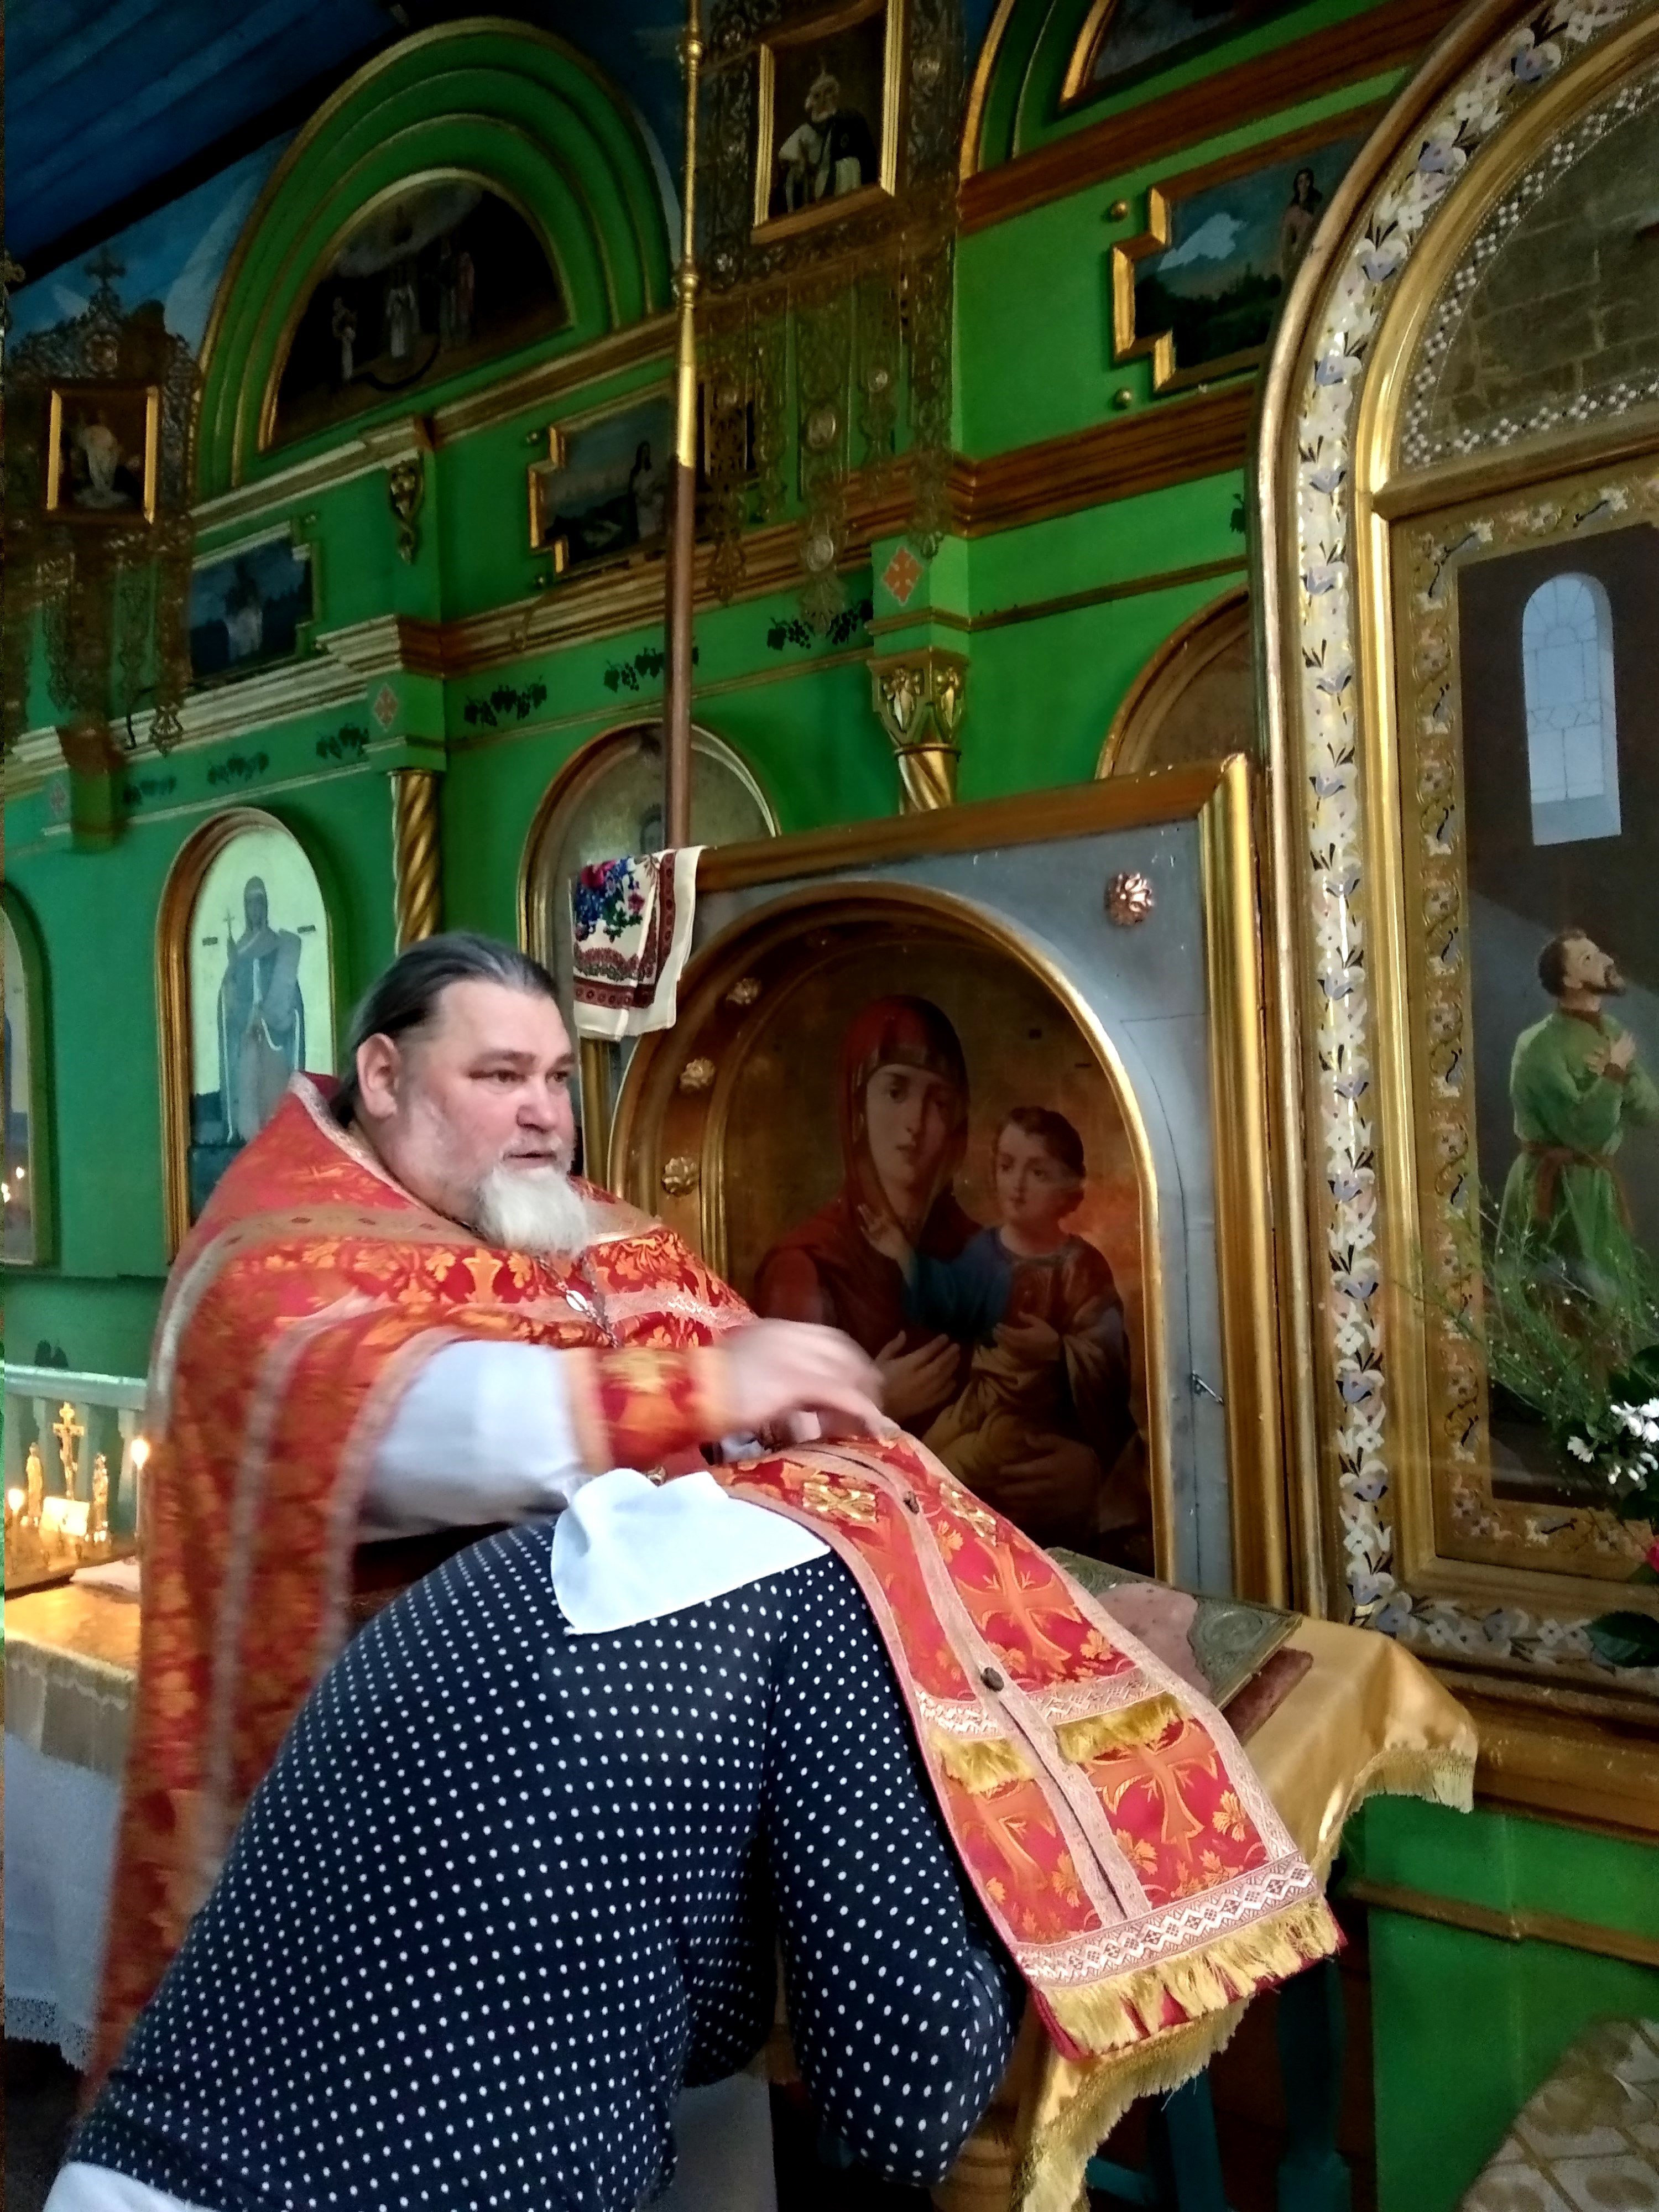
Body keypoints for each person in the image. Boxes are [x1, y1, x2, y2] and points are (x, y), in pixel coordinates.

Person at [74, 933, 1336, 2208]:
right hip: (406, 1850)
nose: (543, 1112)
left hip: (660, 1848)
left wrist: (794, 1411)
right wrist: (702, 1389)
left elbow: (778, 1409)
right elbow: (397, 1424)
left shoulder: (596, 1232)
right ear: (386, 1075)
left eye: (557, 1078)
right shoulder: (278, 1250)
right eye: (500, 1074)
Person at [864, 1107, 1143, 1552]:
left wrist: (1057, 1352)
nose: (1017, 1184)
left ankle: (942, 1529)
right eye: (1007, 1166)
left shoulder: (1081, 1268)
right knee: (926, 1454)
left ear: (1070, 1193)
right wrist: (902, 1255)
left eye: (1038, 1172)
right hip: (980, 1393)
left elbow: (1106, 1357)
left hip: (1026, 1412)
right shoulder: (984, 1249)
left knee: (957, 1467)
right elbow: (950, 1297)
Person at [754, 996, 975, 1428]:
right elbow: (781, 1435)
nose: (915, 1122)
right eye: (896, 1092)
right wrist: (874, 1402)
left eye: (939, 1102)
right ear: (858, 1107)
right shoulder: (806, 1265)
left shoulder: (978, 1255)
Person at [1495, 928, 1658, 1335]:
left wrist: (1620, 1074)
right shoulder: (1538, 1045)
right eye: (1588, 959)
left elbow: (1649, 1111)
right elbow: (1580, 1133)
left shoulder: (1612, 1031)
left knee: (1616, 1319)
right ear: (1569, 981)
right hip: (1553, 1196)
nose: (1605, 961)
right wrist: (1614, 1073)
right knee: (1555, 1318)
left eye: (1598, 952)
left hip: (1597, 1193)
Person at [215, 875, 304, 1145]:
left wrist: (271, 1015)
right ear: (245, 909)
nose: (256, 910)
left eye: (260, 904)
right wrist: (240, 1007)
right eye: (251, 905)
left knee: (272, 1091)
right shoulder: (239, 951)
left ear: (266, 907)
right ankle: (247, 1139)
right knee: (248, 1089)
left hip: (273, 1036)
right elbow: (229, 1000)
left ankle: (276, 1139)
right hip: (248, 1035)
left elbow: (291, 996)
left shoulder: (278, 946)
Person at [1278, 165, 1323, 285]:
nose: (1304, 185)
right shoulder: (1292, 213)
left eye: (1307, 180)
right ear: (1297, 186)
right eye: (1301, 182)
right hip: (1302, 256)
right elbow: (1286, 245)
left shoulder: (1320, 204)